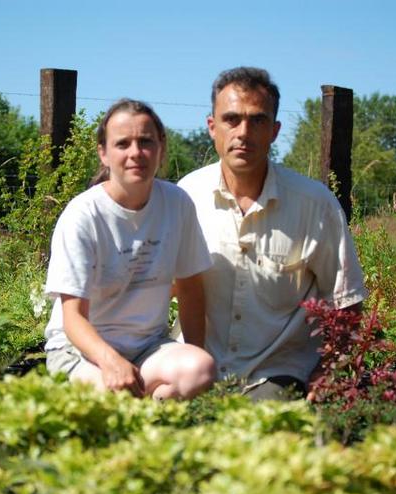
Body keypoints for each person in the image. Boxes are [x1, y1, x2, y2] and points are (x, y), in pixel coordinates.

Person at [177, 67, 367, 401]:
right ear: (212, 127)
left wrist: (330, 367)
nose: (243, 132)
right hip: (196, 368)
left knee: (265, 426)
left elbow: (346, 300)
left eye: (258, 120)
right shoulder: (186, 197)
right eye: (231, 119)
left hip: (276, 370)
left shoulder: (314, 204)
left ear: (275, 130)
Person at [43, 98, 216, 400]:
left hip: (148, 348)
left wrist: (195, 360)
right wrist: (111, 362)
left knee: (200, 369)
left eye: (146, 142)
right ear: (104, 153)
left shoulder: (177, 204)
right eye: (123, 144)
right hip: (81, 352)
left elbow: (190, 289)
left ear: (161, 149)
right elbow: (73, 318)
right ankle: (136, 416)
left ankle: (149, 420)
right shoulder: (83, 215)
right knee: (112, 398)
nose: (136, 153)